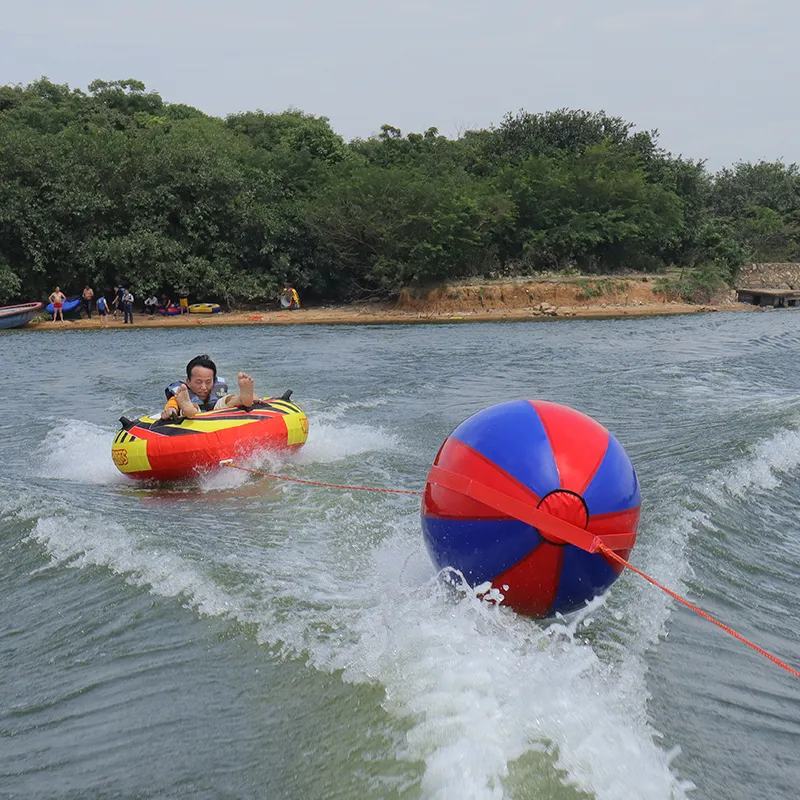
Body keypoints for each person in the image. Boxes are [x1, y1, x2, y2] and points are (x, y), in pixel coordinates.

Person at [161, 355, 256, 420]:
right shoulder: (181, 394)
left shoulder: (217, 390)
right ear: (188, 382)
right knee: (191, 407)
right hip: (193, 414)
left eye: (208, 382)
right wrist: (170, 410)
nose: (203, 387)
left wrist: (253, 397)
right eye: (198, 382)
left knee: (226, 400)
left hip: (217, 410)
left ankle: (243, 399)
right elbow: (172, 405)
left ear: (214, 381)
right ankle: (188, 410)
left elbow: (223, 401)